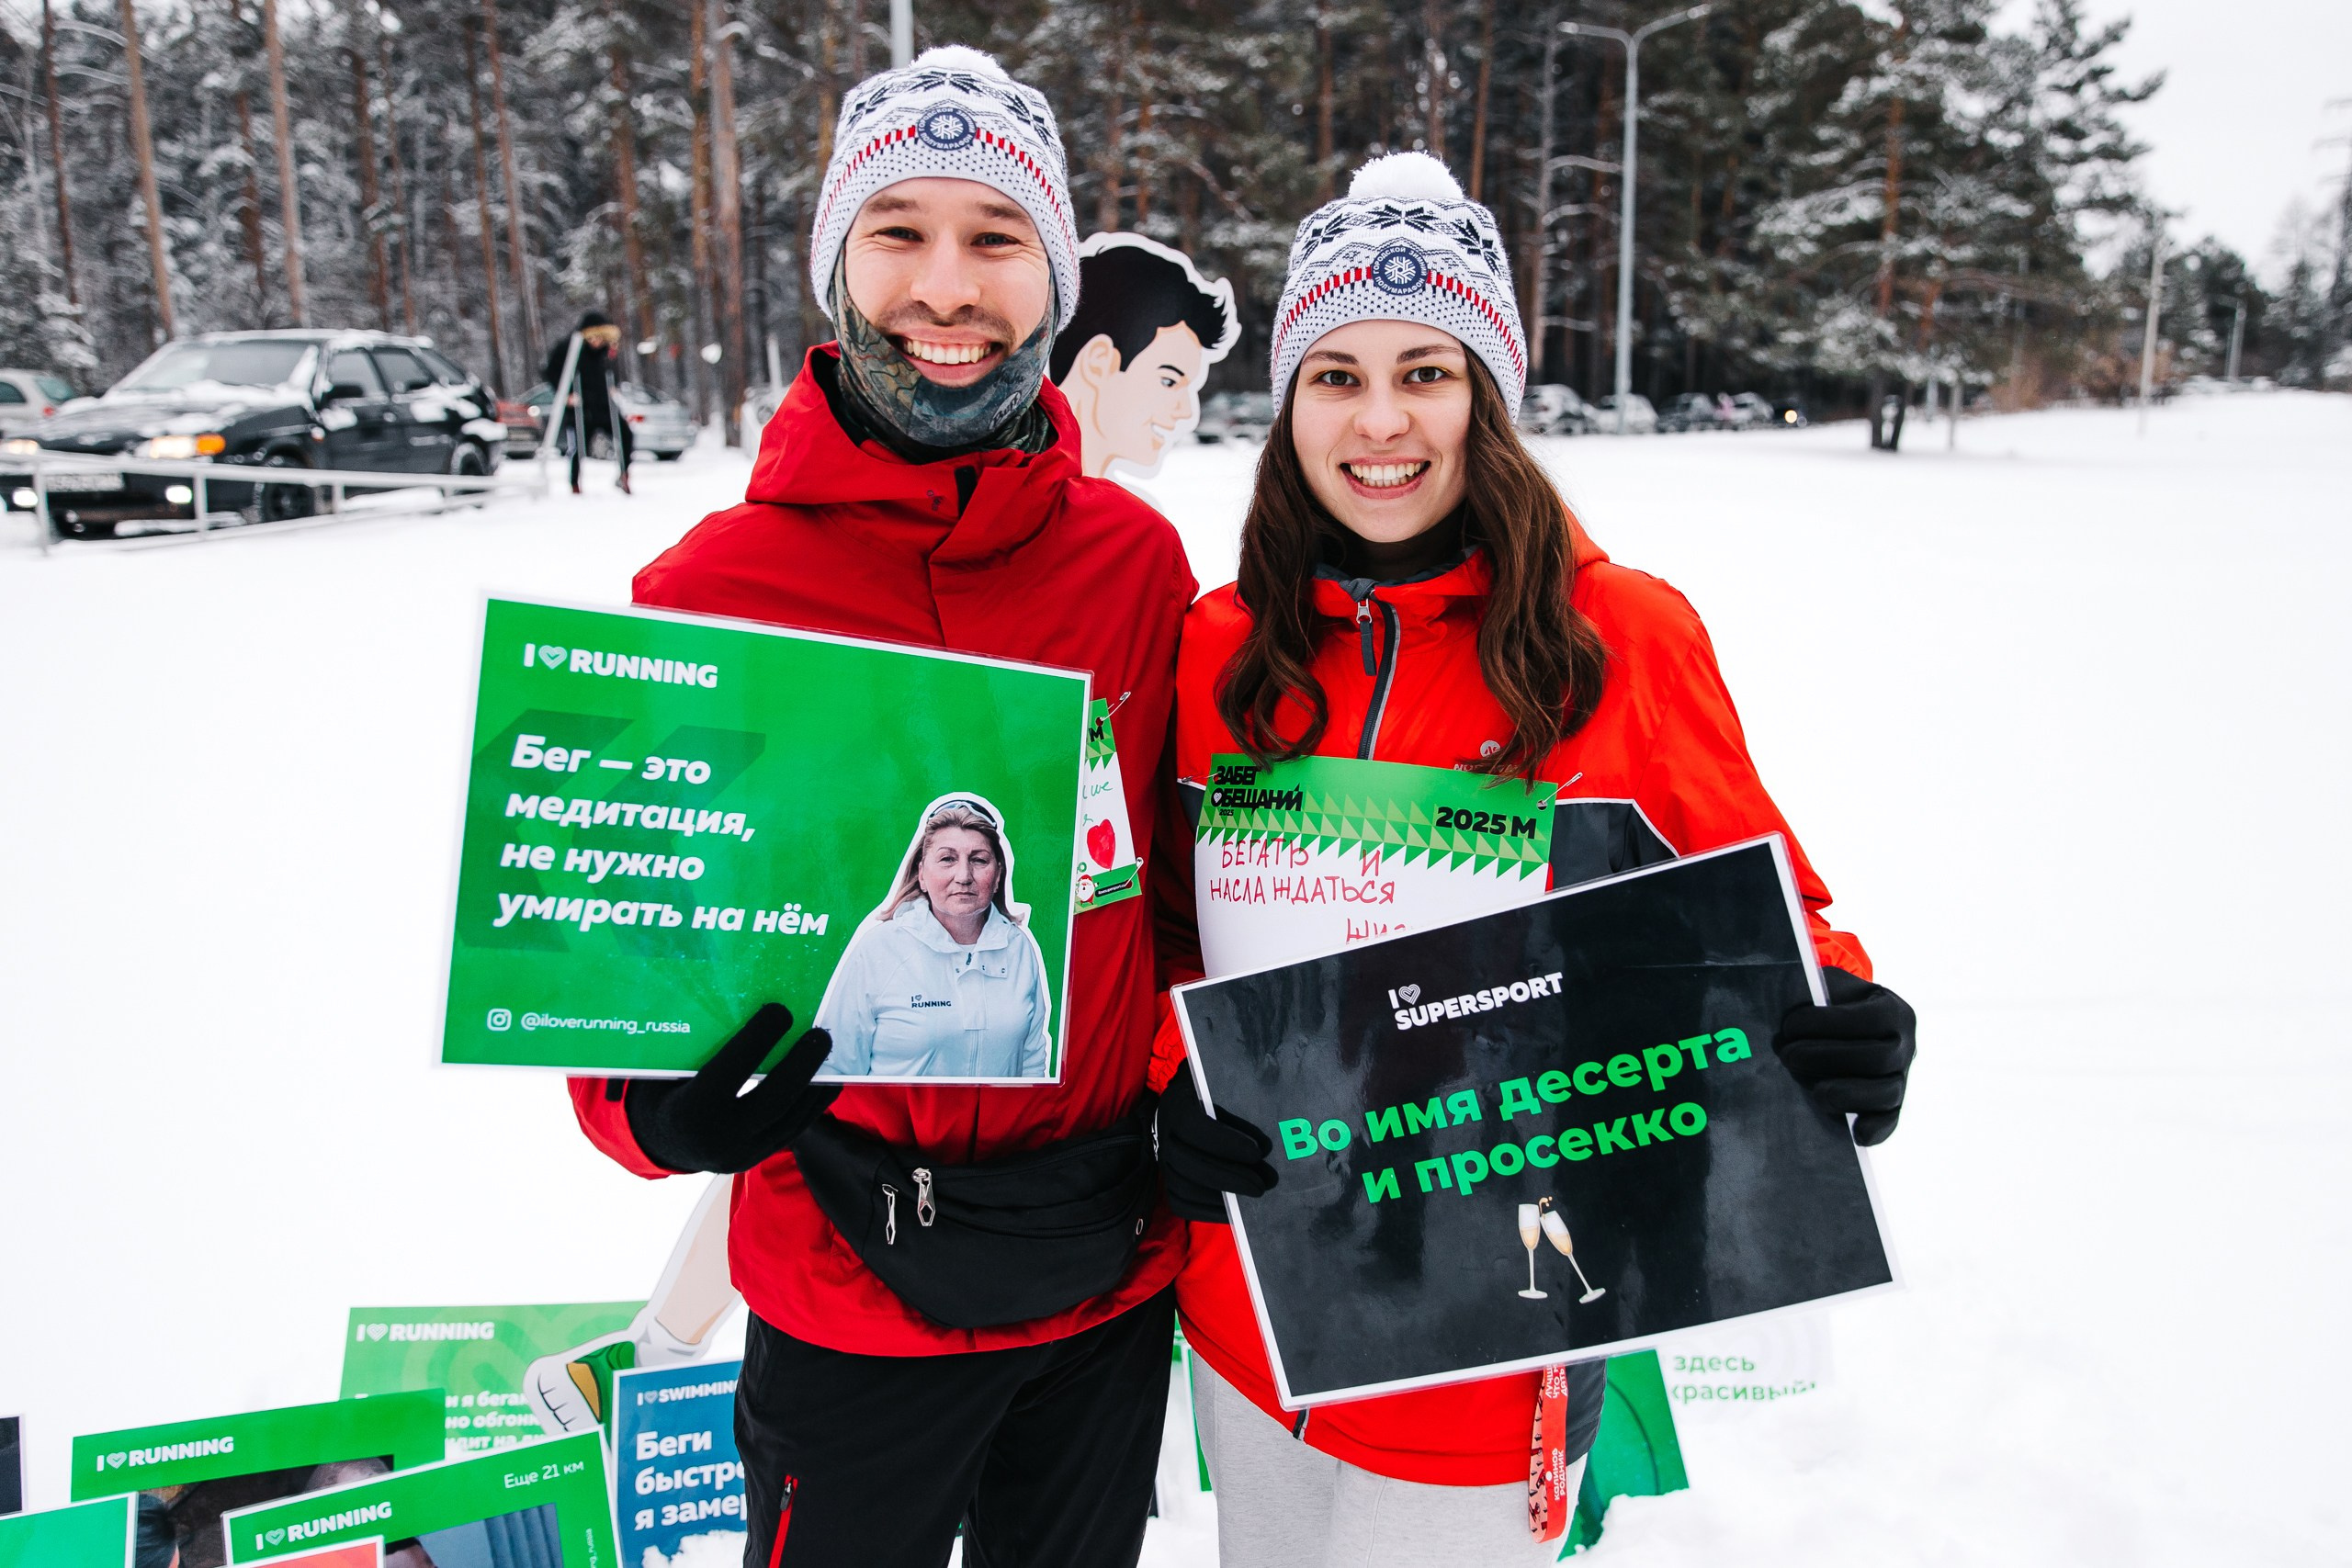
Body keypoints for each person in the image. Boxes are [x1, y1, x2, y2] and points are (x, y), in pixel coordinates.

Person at [1150, 152, 1919, 1566]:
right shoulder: (1218, 647)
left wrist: (1847, 1018)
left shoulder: (1619, 634)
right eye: (1336, 375)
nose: (1381, 421)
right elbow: (1169, 941)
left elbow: (1764, 913)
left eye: (1425, 371)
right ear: (1287, 403)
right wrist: (1167, 1085)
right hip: (1253, 1304)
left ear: (1487, 393)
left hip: (1487, 1337)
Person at [563, 46, 1223, 1568]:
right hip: (848, 1292)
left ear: (1050, 282)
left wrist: (1211, 1069)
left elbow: (1188, 892)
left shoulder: (1132, 567)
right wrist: (644, 1105)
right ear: (836, 269)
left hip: (1103, 1276)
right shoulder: (714, 591)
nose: (946, 286)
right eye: (899, 232)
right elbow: (626, 940)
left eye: (995, 238)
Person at [816, 795, 1051, 1079]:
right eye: (947, 859)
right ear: (922, 874)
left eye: (978, 860)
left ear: (998, 875)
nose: (963, 875)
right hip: (900, 1125)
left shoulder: (1019, 950)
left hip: (999, 1125)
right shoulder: (880, 949)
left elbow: (1032, 1061)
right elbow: (836, 1068)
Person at [1050, 232, 1238, 479]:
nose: (1187, 412)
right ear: (1098, 363)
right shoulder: (1012, 497)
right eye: (1169, 381)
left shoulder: (1124, 514)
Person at [543, 310, 632, 495]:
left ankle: (624, 475)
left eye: (601, 337)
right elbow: (550, 372)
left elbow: (611, 374)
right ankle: (574, 483)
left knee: (626, 434)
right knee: (579, 447)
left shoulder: (605, 353)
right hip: (582, 407)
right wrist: (565, 394)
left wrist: (613, 386)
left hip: (604, 406)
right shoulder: (569, 348)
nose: (597, 342)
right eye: (594, 337)